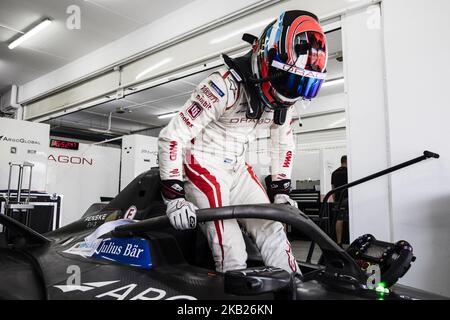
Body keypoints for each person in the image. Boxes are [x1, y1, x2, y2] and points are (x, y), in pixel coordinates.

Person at [158, 10, 328, 274]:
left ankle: (294, 287)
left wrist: (281, 188)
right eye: (289, 79)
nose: (291, 92)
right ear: (266, 59)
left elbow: (283, 141)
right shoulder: (222, 86)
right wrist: (174, 197)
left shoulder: (287, 97)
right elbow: (172, 134)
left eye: (301, 84)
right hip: (202, 165)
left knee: (272, 226)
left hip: (237, 167)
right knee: (232, 248)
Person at [331, 155, 348, 247]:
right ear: (347, 161)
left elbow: (333, 188)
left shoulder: (334, 173)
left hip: (338, 200)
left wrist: (335, 200)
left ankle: (339, 242)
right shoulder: (349, 172)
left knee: (339, 220)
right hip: (348, 198)